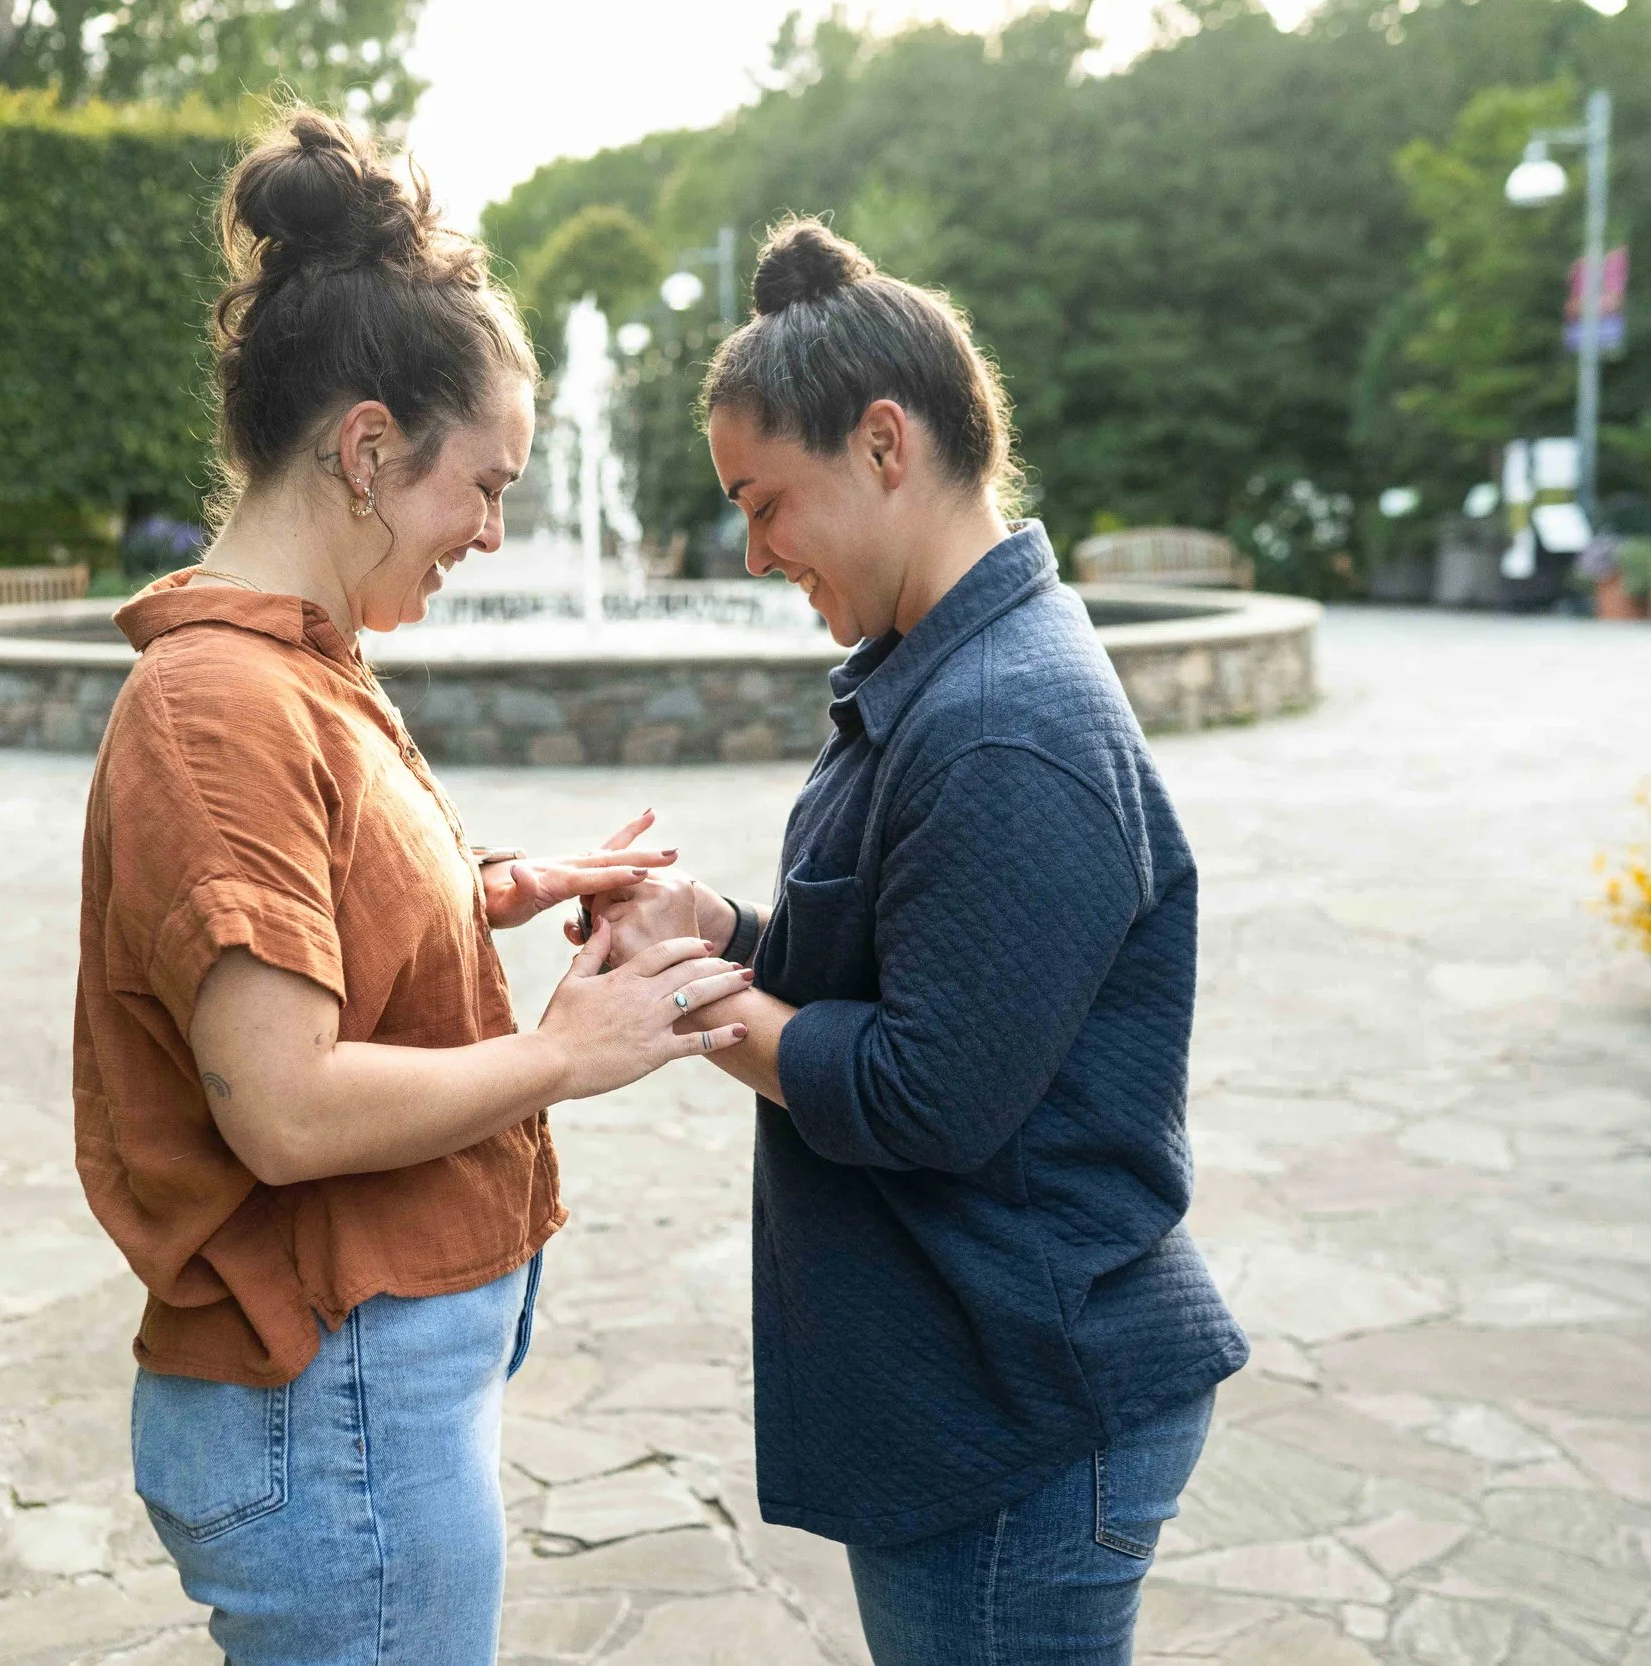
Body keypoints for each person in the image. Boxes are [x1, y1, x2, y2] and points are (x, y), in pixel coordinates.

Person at [70, 111, 751, 1664]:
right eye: (485, 485)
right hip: (331, 1415)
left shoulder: (300, 666)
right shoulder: (223, 703)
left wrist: (486, 886)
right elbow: (284, 1105)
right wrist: (564, 1056)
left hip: (356, 1409)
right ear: (369, 451)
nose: (501, 531)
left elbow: (306, 924)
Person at [585, 220, 1248, 1665]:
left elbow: (924, 1090)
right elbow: (918, 968)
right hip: (985, 1387)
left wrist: (689, 997)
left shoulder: (1007, 720)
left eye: (767, 503)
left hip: (1025, 1414)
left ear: (885, 444)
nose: (756, 553)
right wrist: (728, 933)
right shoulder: (946, 676)